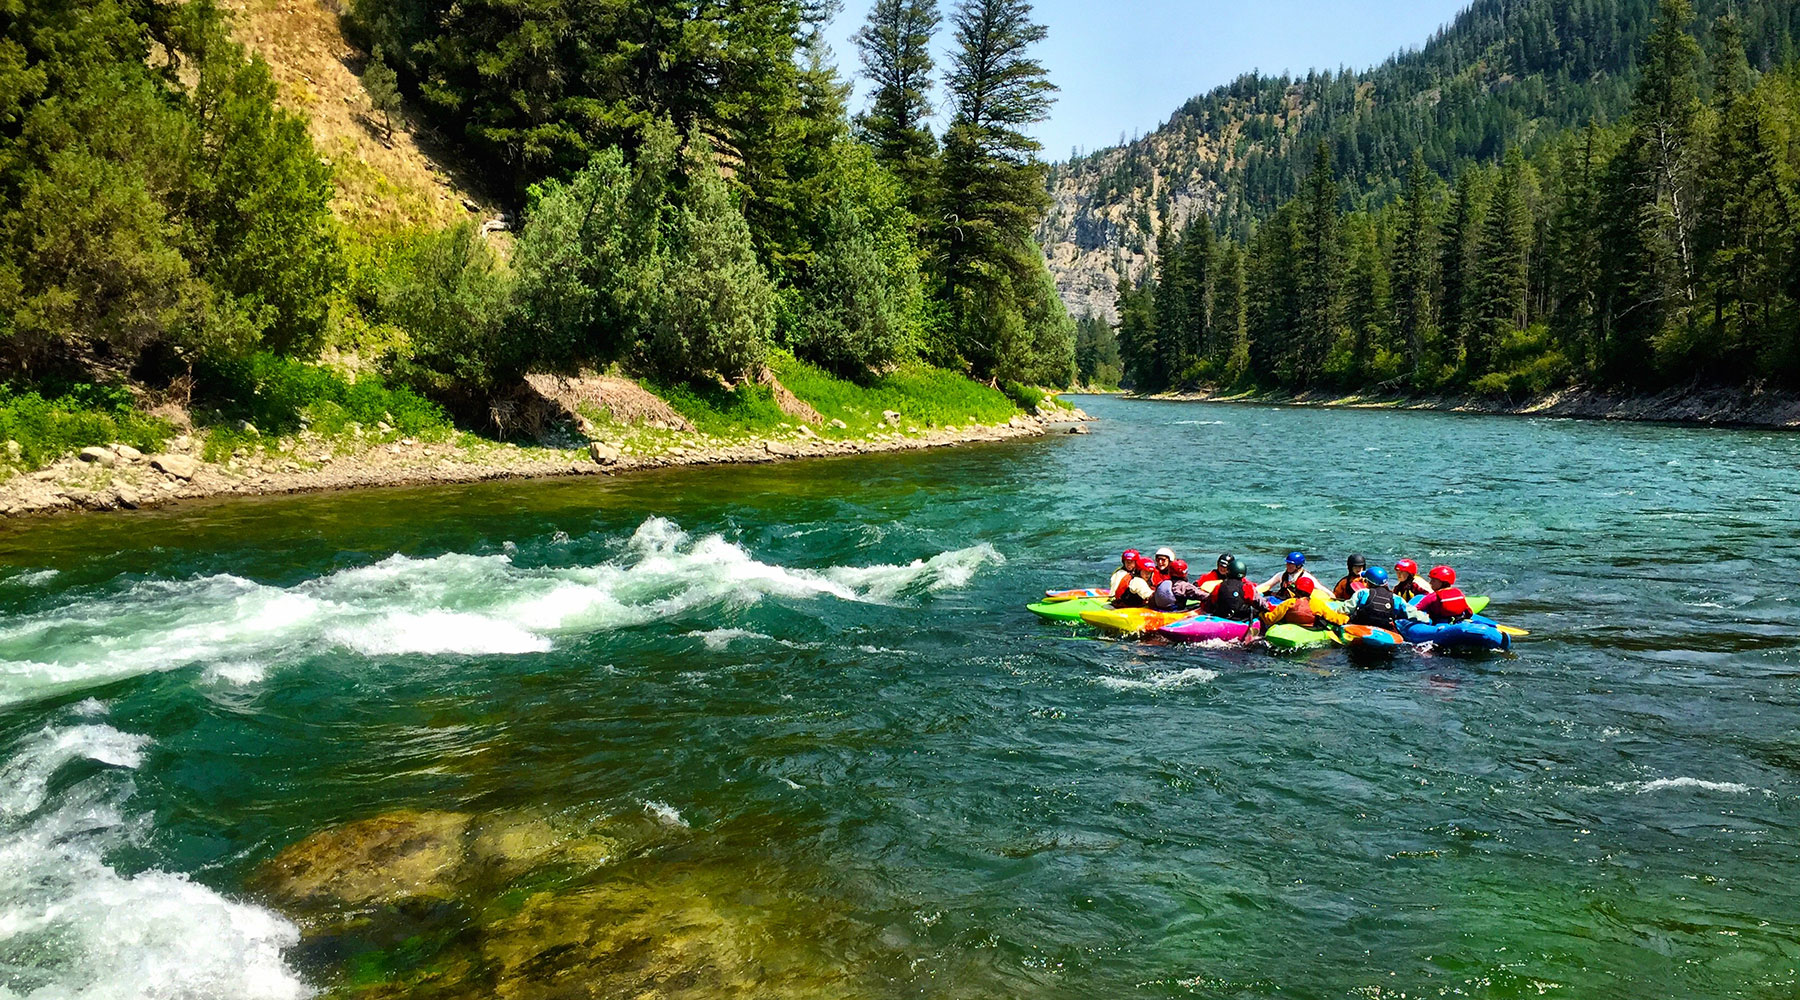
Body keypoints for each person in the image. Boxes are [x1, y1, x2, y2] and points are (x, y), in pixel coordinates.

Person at [1337, 566, 1427, 630]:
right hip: (1385, 628)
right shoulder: (1396, 598)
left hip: (1362, 625)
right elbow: (1412, 613)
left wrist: (1335, 611)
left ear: (1368, 582)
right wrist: (1427, 619)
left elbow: (1346, 609)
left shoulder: (1362, 593)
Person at [1204, 557, 1267, 622]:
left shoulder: (1219, 586)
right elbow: (1259, 603)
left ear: (1228, 572)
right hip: (1241, 619)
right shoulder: (1247, 587)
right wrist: (1267, 609)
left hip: (1222, 616)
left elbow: (1210, 603)